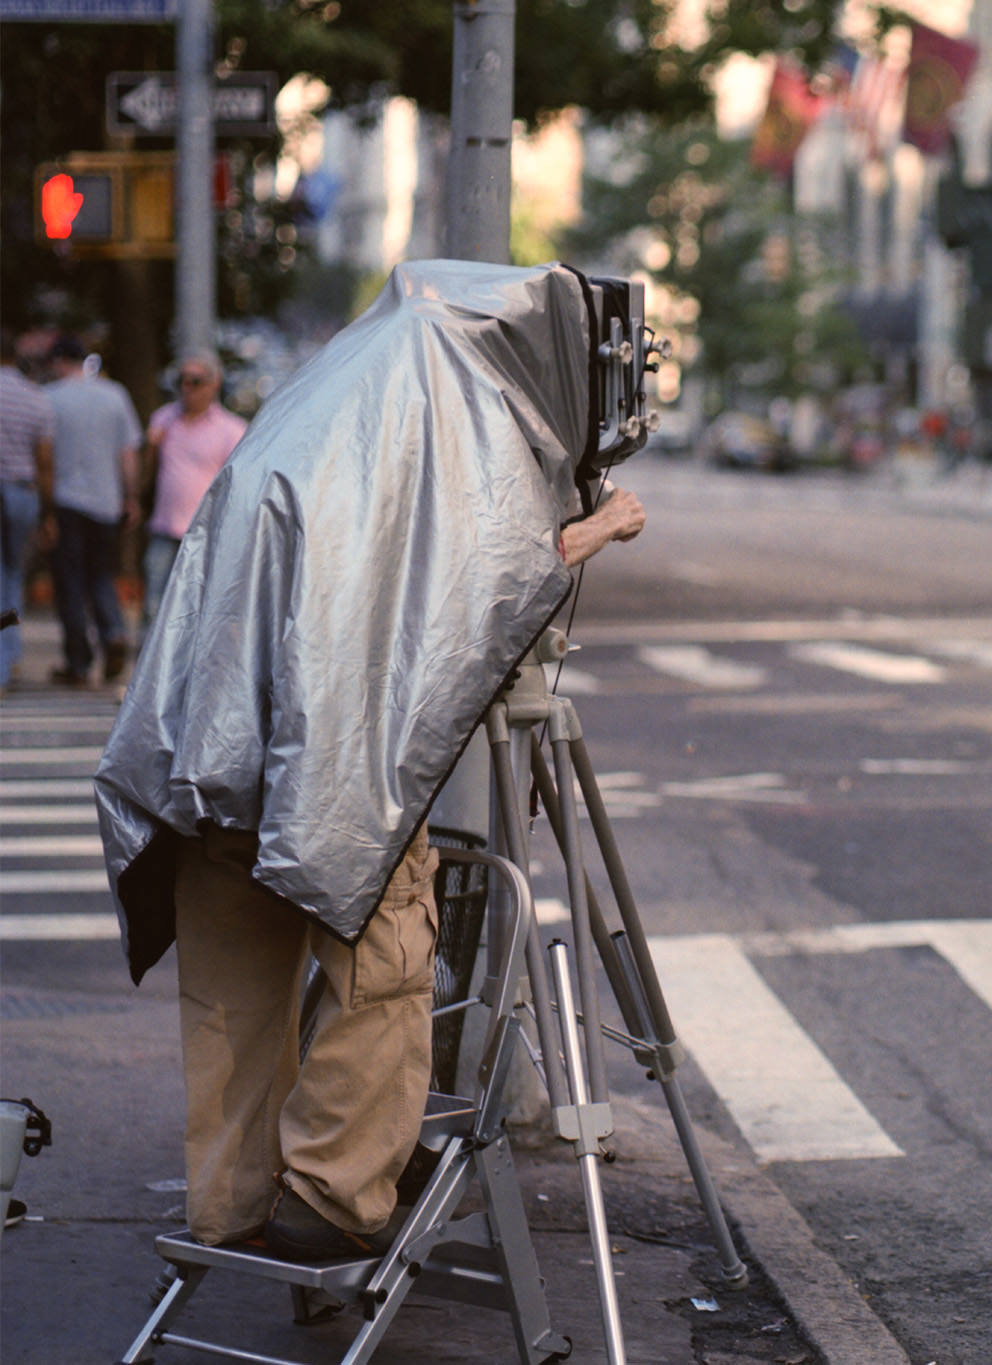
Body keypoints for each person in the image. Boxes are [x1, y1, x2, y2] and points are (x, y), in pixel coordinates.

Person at [94, 262, 646, 1261]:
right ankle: (335, 1195)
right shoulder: (436, 417)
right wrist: (597, 526)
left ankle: (227, 1205)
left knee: (232, 992)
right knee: (383, 968)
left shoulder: (322, 399)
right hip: (328, 766)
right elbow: (478, 591)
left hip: (203, 760)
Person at [44, 334, 141, 685]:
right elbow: (128, 454)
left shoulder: (49, 398)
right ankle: (113, 632)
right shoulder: (115, 395)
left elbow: (43, 456)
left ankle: (78, 661)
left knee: (69, 582)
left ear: (57, 362)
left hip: (66, 500)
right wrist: (130, 498)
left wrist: (45, 513)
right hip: (106, 502)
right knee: (101, 574)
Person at [139, 354, 246, 629]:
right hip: (165, 526)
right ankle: (150, 666)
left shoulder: (231, 430)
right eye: (182, 381)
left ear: (213, 385)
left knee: (197, 607)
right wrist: (151, 448)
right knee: (154, 602)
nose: (187, 388)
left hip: (205, 532)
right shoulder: (164, 419)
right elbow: (147, 473)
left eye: (196, 381)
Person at [0, 330, 56, 691]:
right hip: (21, 493)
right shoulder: (36, 399)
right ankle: (8, 661)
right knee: (13, 577)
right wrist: (48, 512)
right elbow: (45, 461)